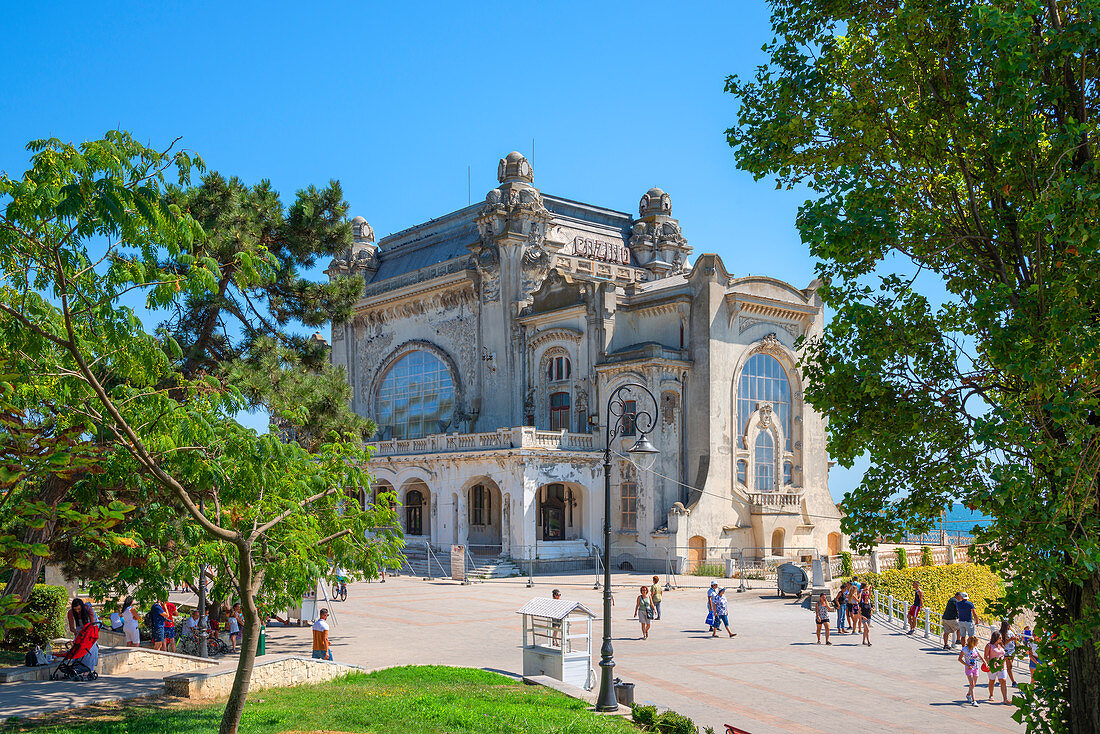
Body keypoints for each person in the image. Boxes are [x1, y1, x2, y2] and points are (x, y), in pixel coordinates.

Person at [958, 635, 986, 706]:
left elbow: (980, 656)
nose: (977, 644)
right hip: (968, 668)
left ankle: (968, 694)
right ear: (973, 642)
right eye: (976, 642)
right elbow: (959, 659)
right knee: (972, 683)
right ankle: (974, 700)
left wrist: (985, 662)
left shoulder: (975, 649)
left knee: (974, 684)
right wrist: (967, 665)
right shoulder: (965, 649)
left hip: (975, 667)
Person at [985, 630, 1010, 704]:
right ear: (995, 638)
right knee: (992, 681)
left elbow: (1003, 653)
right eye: (1000, 638)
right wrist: (988, 664)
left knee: (1003, 681)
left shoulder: (1001, 644)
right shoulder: (989, 645)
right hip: (993, 666)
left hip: (1002, 665)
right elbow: (985, 656)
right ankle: (991, 695)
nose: (1001, 639)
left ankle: (1005, 699)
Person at [1000, 620, 1019, 687]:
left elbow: (1015, 637)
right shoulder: (1002, 633)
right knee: (1009, 666)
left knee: (1008, 666)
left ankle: (1002, 678)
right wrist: (1010, 639)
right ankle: (1013, 681)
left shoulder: (1011, 631)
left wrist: (1016, 638)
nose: (1009, 626)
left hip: (1012, 650)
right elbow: (1003, 643)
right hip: (1006, 651)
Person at [859, 581, 873, 646]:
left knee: (865, 630)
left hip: (868, 616)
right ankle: (869, 642)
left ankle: (863, 641)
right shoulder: (861, 591)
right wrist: (862, 616)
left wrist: (872, 610)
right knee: (867, 629)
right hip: (863, 616)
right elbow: (858, 612)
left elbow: (869, 595)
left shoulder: (869, 603)